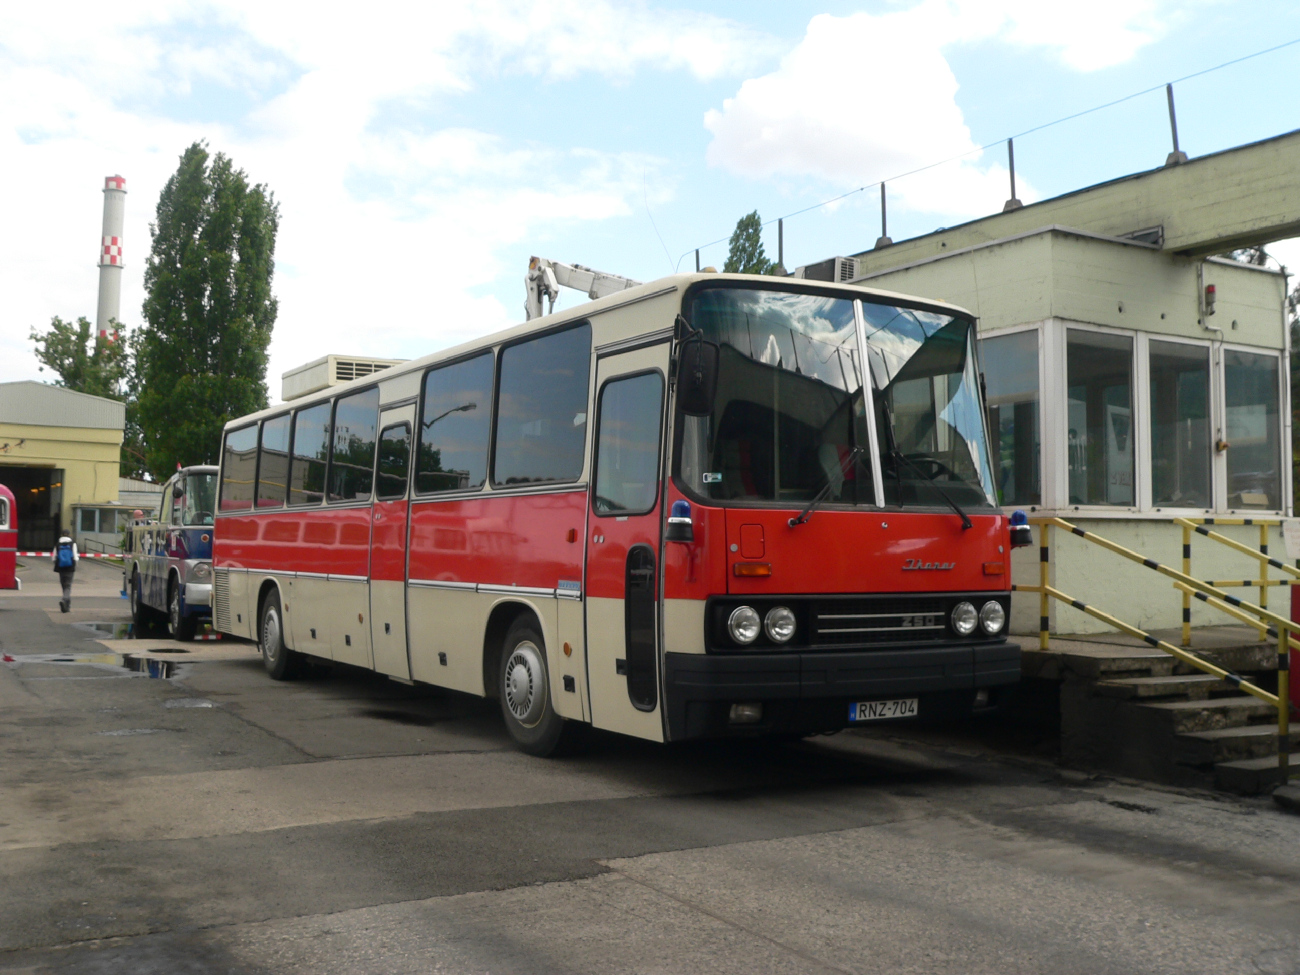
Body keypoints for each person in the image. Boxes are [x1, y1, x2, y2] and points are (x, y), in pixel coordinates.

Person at [51, 534, 78, 613]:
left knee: (64, 585)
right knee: (68, 585)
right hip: (70, 567)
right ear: (69, 535)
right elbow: (75, 556)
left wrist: (57, 563)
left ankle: (66, 606)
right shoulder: (72, 544)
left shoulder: (58, 544)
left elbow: (54, 557)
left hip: (61, 567)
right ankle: (65, 600)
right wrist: (75, 565)